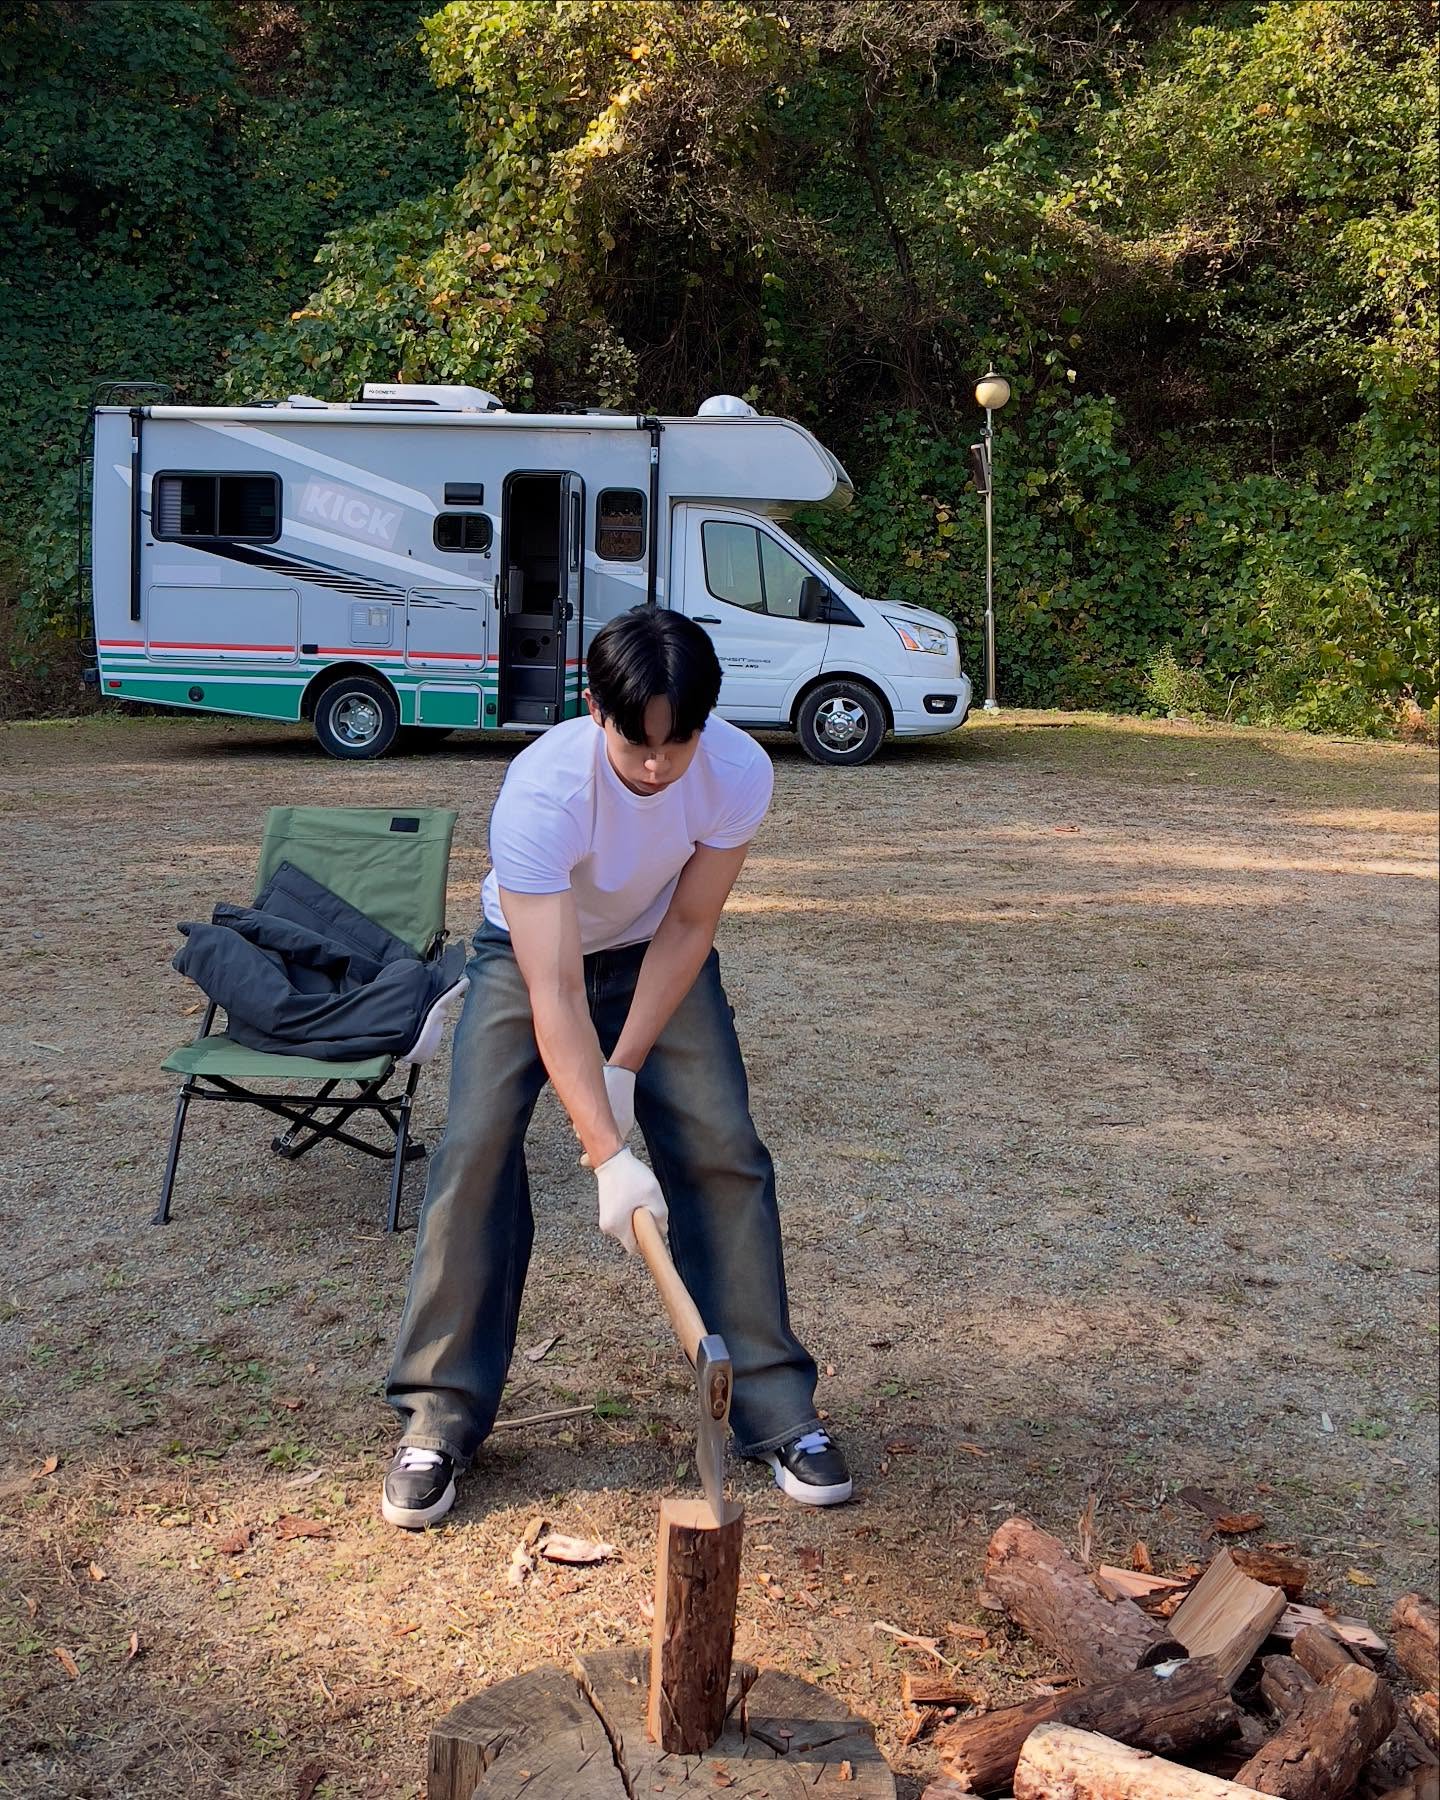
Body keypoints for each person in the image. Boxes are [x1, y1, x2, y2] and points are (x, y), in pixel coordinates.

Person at [381, 605, 851, 1528]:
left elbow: (690, 922)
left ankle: (776, 1410)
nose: (657, 766)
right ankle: (438, 1418)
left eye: (678, 744)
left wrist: (625, 1064)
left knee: (724, 1148)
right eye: (638, 743)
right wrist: (606, 1153)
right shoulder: (542, 791)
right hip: (526, 954)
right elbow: (554, 987)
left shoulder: (737, 772)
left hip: (654, 950)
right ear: (594, 707)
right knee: (474, 1151)